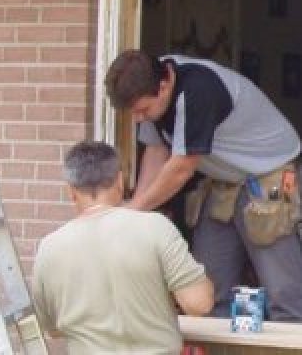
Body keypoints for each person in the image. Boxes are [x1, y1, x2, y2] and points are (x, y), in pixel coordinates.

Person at [105, 49, 302, 320]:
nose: (138, 118)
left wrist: (134, 210)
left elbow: (180, 169)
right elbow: (156, 152)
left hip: (271, 170)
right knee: (209, 288)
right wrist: (138, 211)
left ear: (163, 87)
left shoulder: (198, 89)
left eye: (142, 110)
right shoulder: (151, 84)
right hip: (225, 179)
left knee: (284, 291)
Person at [32, 140, 213, 355]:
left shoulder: (49, 248)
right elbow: (199, 304)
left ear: (71, 191)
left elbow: (51, 328)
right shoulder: (155, 227)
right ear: (119, 180)